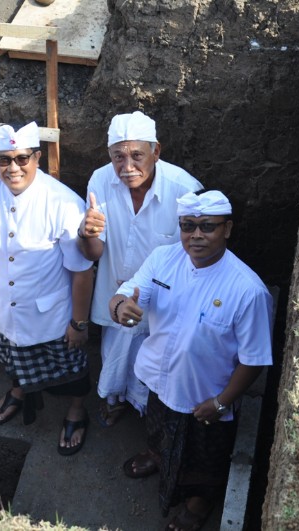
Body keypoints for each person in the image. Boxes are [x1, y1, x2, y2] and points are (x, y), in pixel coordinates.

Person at [108, 191, 273, 530]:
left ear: (227, 229)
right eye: (188, 226)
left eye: (207, 227)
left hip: (205, 398)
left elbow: (254, 360)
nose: (196, 235)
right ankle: (157, 457)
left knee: (204, 459)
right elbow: (126, 293)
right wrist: (121, 307)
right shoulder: (163, 259)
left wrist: (221, 402)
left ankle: (198, 504)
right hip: (158, 381)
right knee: (157, 430)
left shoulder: (248, 291)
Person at [0, 122, 94, 456]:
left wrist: (79, 323)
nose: (13, 168)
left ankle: (77, 410)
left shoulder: (63, 202)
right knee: (12, 358)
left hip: (50, 316)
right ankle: (18, 391)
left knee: (71, 370)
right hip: (2, 306)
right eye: (4, 160)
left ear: (37, 158)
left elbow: (82, 270)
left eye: (21, 158)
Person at [78, 111, 203, 426]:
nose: (127, 166)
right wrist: (86, 233)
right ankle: (115, 400)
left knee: (156, 366)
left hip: (162, 303)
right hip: (114, 294)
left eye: (137, 155)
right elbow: (94, 252)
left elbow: (196, 259)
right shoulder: (100, 181)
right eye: (118, 157)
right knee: (115, 355)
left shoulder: (185, 191)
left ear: (156, 151)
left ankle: (147, 415)